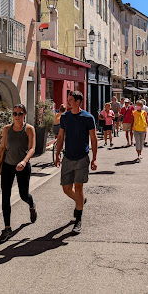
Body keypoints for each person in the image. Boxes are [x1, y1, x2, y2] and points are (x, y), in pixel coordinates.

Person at [55, 90, 97, 234]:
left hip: (82, 158)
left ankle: (78, 220)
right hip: (68, 157)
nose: (68, 102)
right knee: (66, 188)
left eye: (71, 100)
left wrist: (95, 158)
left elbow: (93, 139)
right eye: (68, 99)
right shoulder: (65, 117)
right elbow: (60, 137)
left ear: (78, 101)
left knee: (79, 188)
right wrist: (57, 154)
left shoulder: (88, 118)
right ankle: (81, 201)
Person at [0, 104, 37, 244]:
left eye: (20, 113)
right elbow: (2, 147)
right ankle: (7, 228)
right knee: (5, 195)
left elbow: (32, 148)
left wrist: (24, 161)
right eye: (14, 113)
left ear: (24, 114)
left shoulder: (29, 129)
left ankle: (31, 204)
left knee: (23, 194)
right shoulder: (6, 129)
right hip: (8, 165)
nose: (17, 116)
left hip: (23, 166)